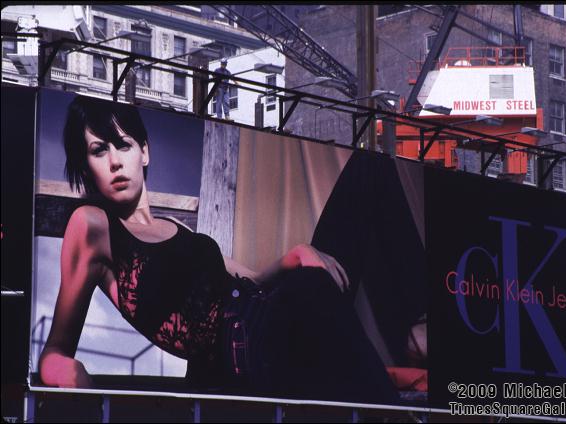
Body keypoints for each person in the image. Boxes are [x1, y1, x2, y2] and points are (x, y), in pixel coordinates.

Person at [37, 95, 403, 405]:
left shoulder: (177, 228)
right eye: (99, 150)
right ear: (86, 167)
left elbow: (252, 278)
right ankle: (389, 410)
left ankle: (416, 324)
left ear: (143, 152)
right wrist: (69, 372)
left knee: (370, 167)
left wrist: (297, 254)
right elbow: (54, 352)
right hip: (245, 351)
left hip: (275, 309)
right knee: (312, 294)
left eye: (124, 144)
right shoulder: (92, 225)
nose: (115, 161)